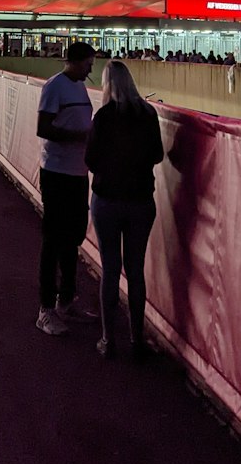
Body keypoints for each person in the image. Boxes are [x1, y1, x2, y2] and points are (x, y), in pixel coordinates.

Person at [84, 60, 164, 361]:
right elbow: (157, 154)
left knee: (110, 269)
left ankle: (108, 339)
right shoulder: (148, 113)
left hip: (107, 198)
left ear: (107, 85)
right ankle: (137, 339)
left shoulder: (104, 116)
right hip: (141, 199)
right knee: (135, 270)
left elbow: (90, 158)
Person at [34, 41, 96, 336]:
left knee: (73, 236)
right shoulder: (54, 86)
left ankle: (66, 300)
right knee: (53, 239)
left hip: (77, 172)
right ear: (74, 61)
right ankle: (45, 309)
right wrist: (76, 136)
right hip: (57, 171)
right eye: (88, 63)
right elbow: (43, 128)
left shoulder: (80, 87)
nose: (91, 69)